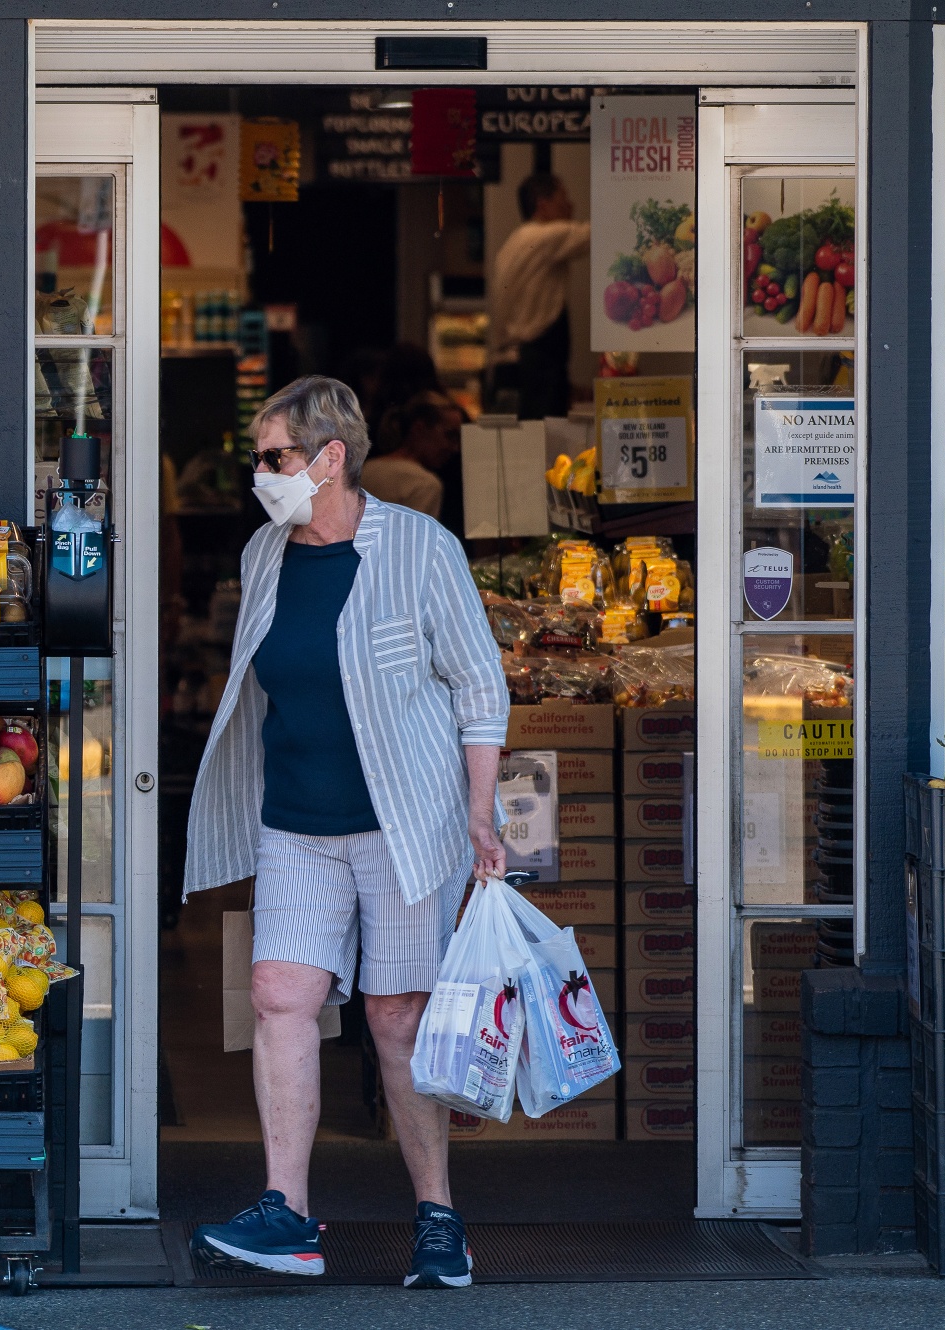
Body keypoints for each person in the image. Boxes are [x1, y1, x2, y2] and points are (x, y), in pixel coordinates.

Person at [185, 375, 508, 1290]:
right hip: (295, 824)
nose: (260, 473)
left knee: (395, 1020)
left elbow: (481, 687)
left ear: (329, 459)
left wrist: (481, 813)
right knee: (280, 997)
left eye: (274, 456)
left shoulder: (419, 549)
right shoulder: (262, 554)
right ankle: (286, 1211)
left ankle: (440, 1217)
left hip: (405, 825)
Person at [489, 173, 590, 419]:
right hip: (535, 364)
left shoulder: (512, 243)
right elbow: (597, 233)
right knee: (540, 446)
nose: (571, 206)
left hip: (509, 364)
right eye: (563, 199)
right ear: (542, 205)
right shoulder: (546, 236)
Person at [363, 392, 464, 520]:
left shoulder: (368, 468)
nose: (455, 448)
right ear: (419, 429)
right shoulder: (425, 484)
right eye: (450, 435)